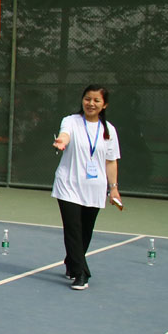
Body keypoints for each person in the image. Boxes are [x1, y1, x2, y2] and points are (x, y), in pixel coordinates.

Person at [52, 85, 121, 290]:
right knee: (73, 229)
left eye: (96, 100)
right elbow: (65, 135)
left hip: (95, 188)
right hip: (68, 184)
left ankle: (71, 262)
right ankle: (81, 272)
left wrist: (114, 188)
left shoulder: (109, 130)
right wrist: (61, 142)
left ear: (104, 104)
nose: (91, 103)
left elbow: (111, 161)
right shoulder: (71, 121)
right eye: (87, 99)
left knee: (85, 231)